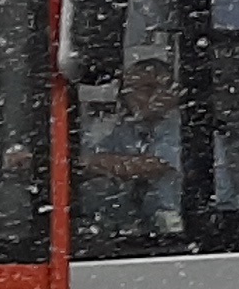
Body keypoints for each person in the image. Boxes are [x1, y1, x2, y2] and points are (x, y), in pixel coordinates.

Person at [79, 59, 186, 236]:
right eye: (129, 89)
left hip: (178, 226)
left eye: (146, 88)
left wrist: (95, 163)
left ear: (171, 92)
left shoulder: (183, 127)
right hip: (139, 228)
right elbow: (95, 155)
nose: (135, 96)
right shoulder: (128, 128)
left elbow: (152, 166)